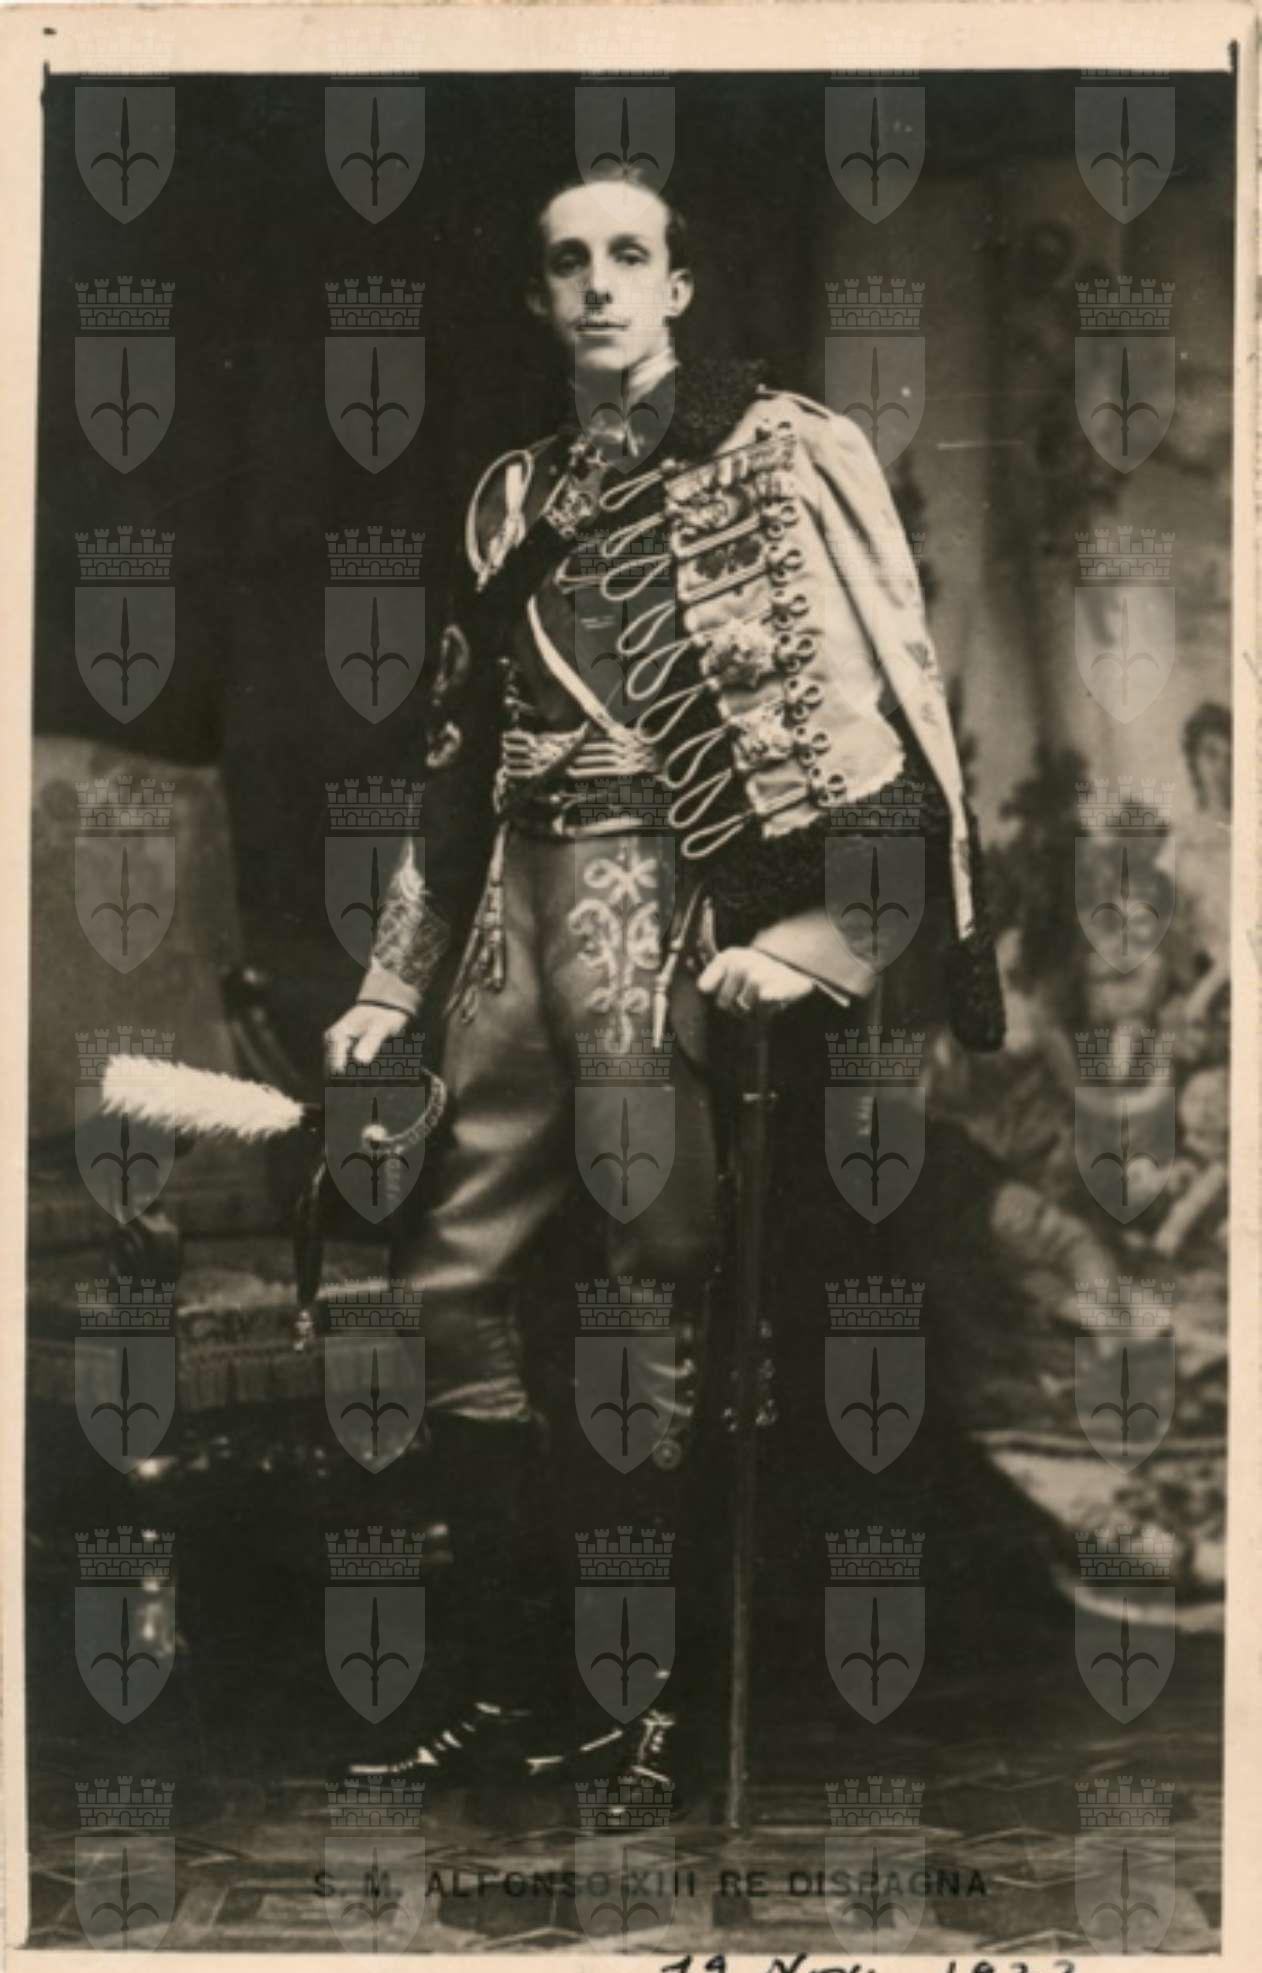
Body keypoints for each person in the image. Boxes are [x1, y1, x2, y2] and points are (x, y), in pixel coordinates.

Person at [324, 165, 1003, 1815]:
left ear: (680, 287)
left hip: (670, 902)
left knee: (647, 1299)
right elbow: (456, 760)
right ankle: (511, 1675)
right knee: (448, 1289)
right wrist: (393, 984)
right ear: (536, 298)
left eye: (629, 256)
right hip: (516, 907)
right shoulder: (510, 496)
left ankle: (642, 1704)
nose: (598, 286)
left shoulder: (777, 453)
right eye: (566, 262)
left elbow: (874, 711)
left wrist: (823, 936)